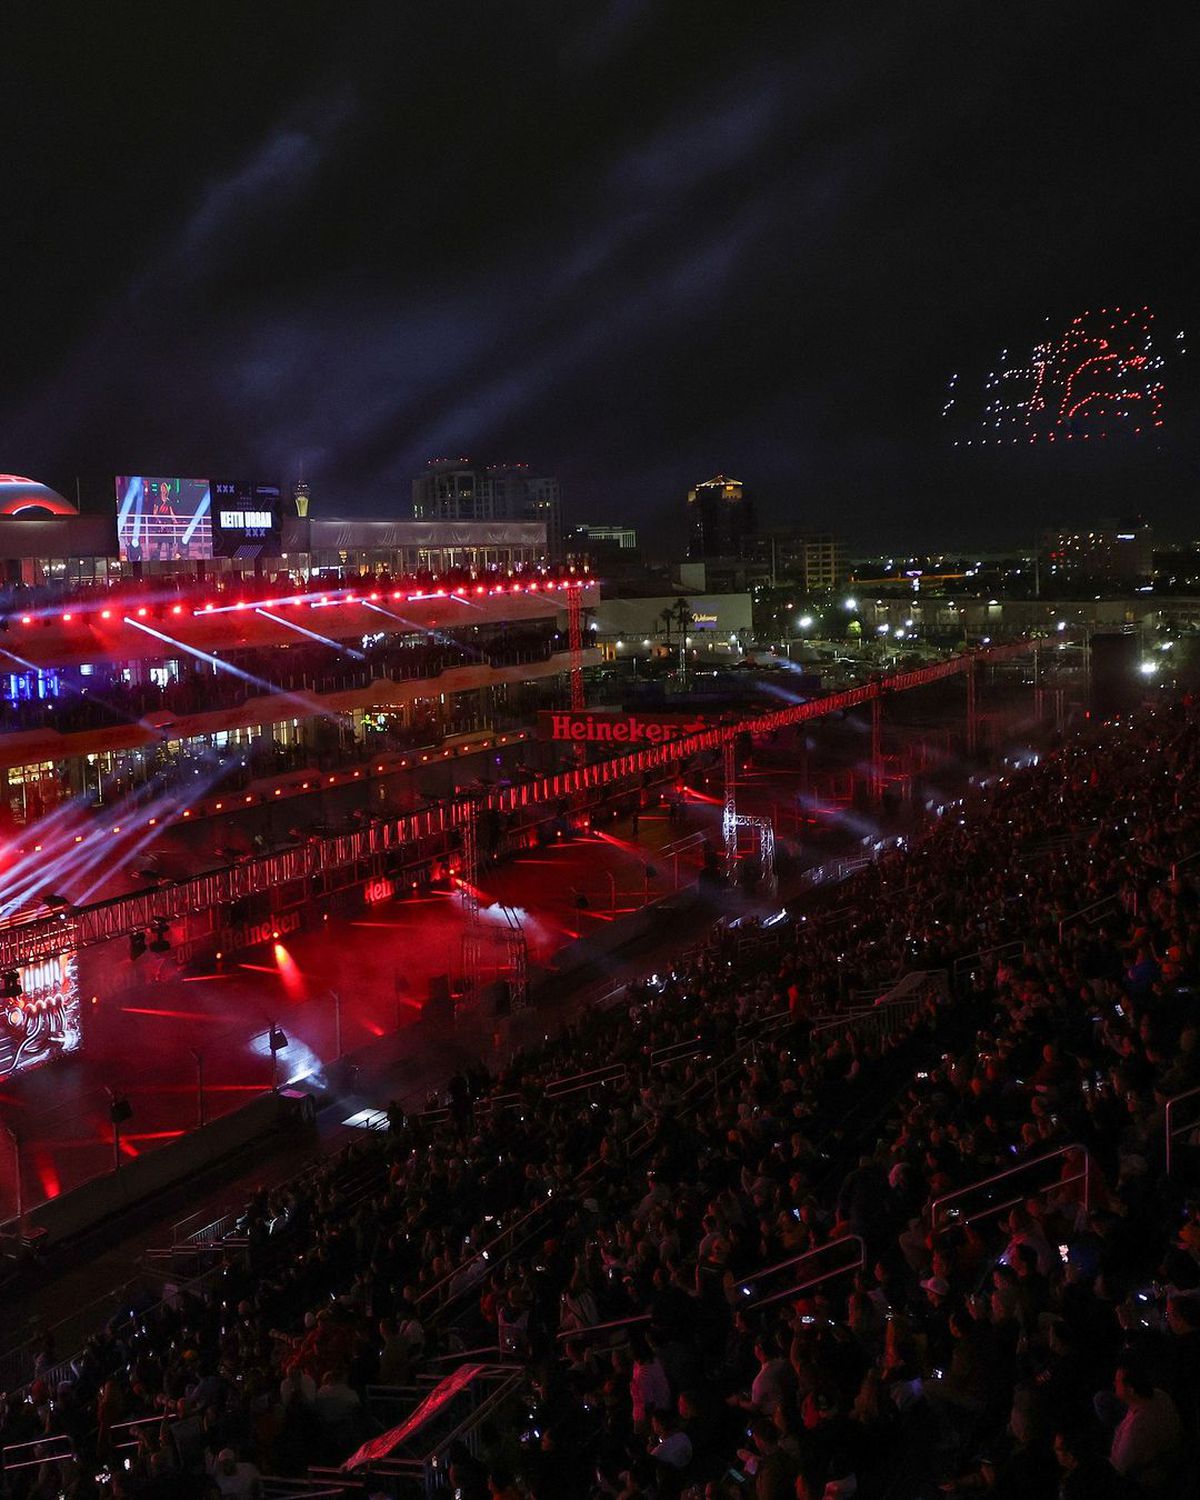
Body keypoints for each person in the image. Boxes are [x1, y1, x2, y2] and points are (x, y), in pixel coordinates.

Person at [1109, 1361, 1183, 1494]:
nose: (1114, 1384)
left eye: (1117, 1381)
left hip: (1148, 1478)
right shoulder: (1159, 1394)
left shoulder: (1135, 1430)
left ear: (1130, 1389)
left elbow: (1118, 1468)